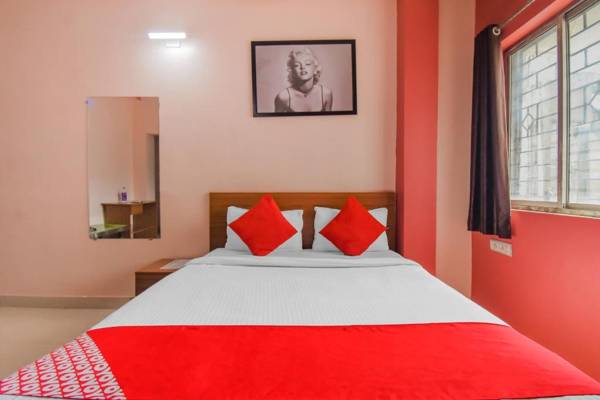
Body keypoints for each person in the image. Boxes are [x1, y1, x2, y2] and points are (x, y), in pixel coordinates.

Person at [274, 48, 333, 112]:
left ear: (315, 69)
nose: (302, 67)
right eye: (297, 65)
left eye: (307, 64)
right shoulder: (283, 97)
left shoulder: (325, 94)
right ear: (292, 71)